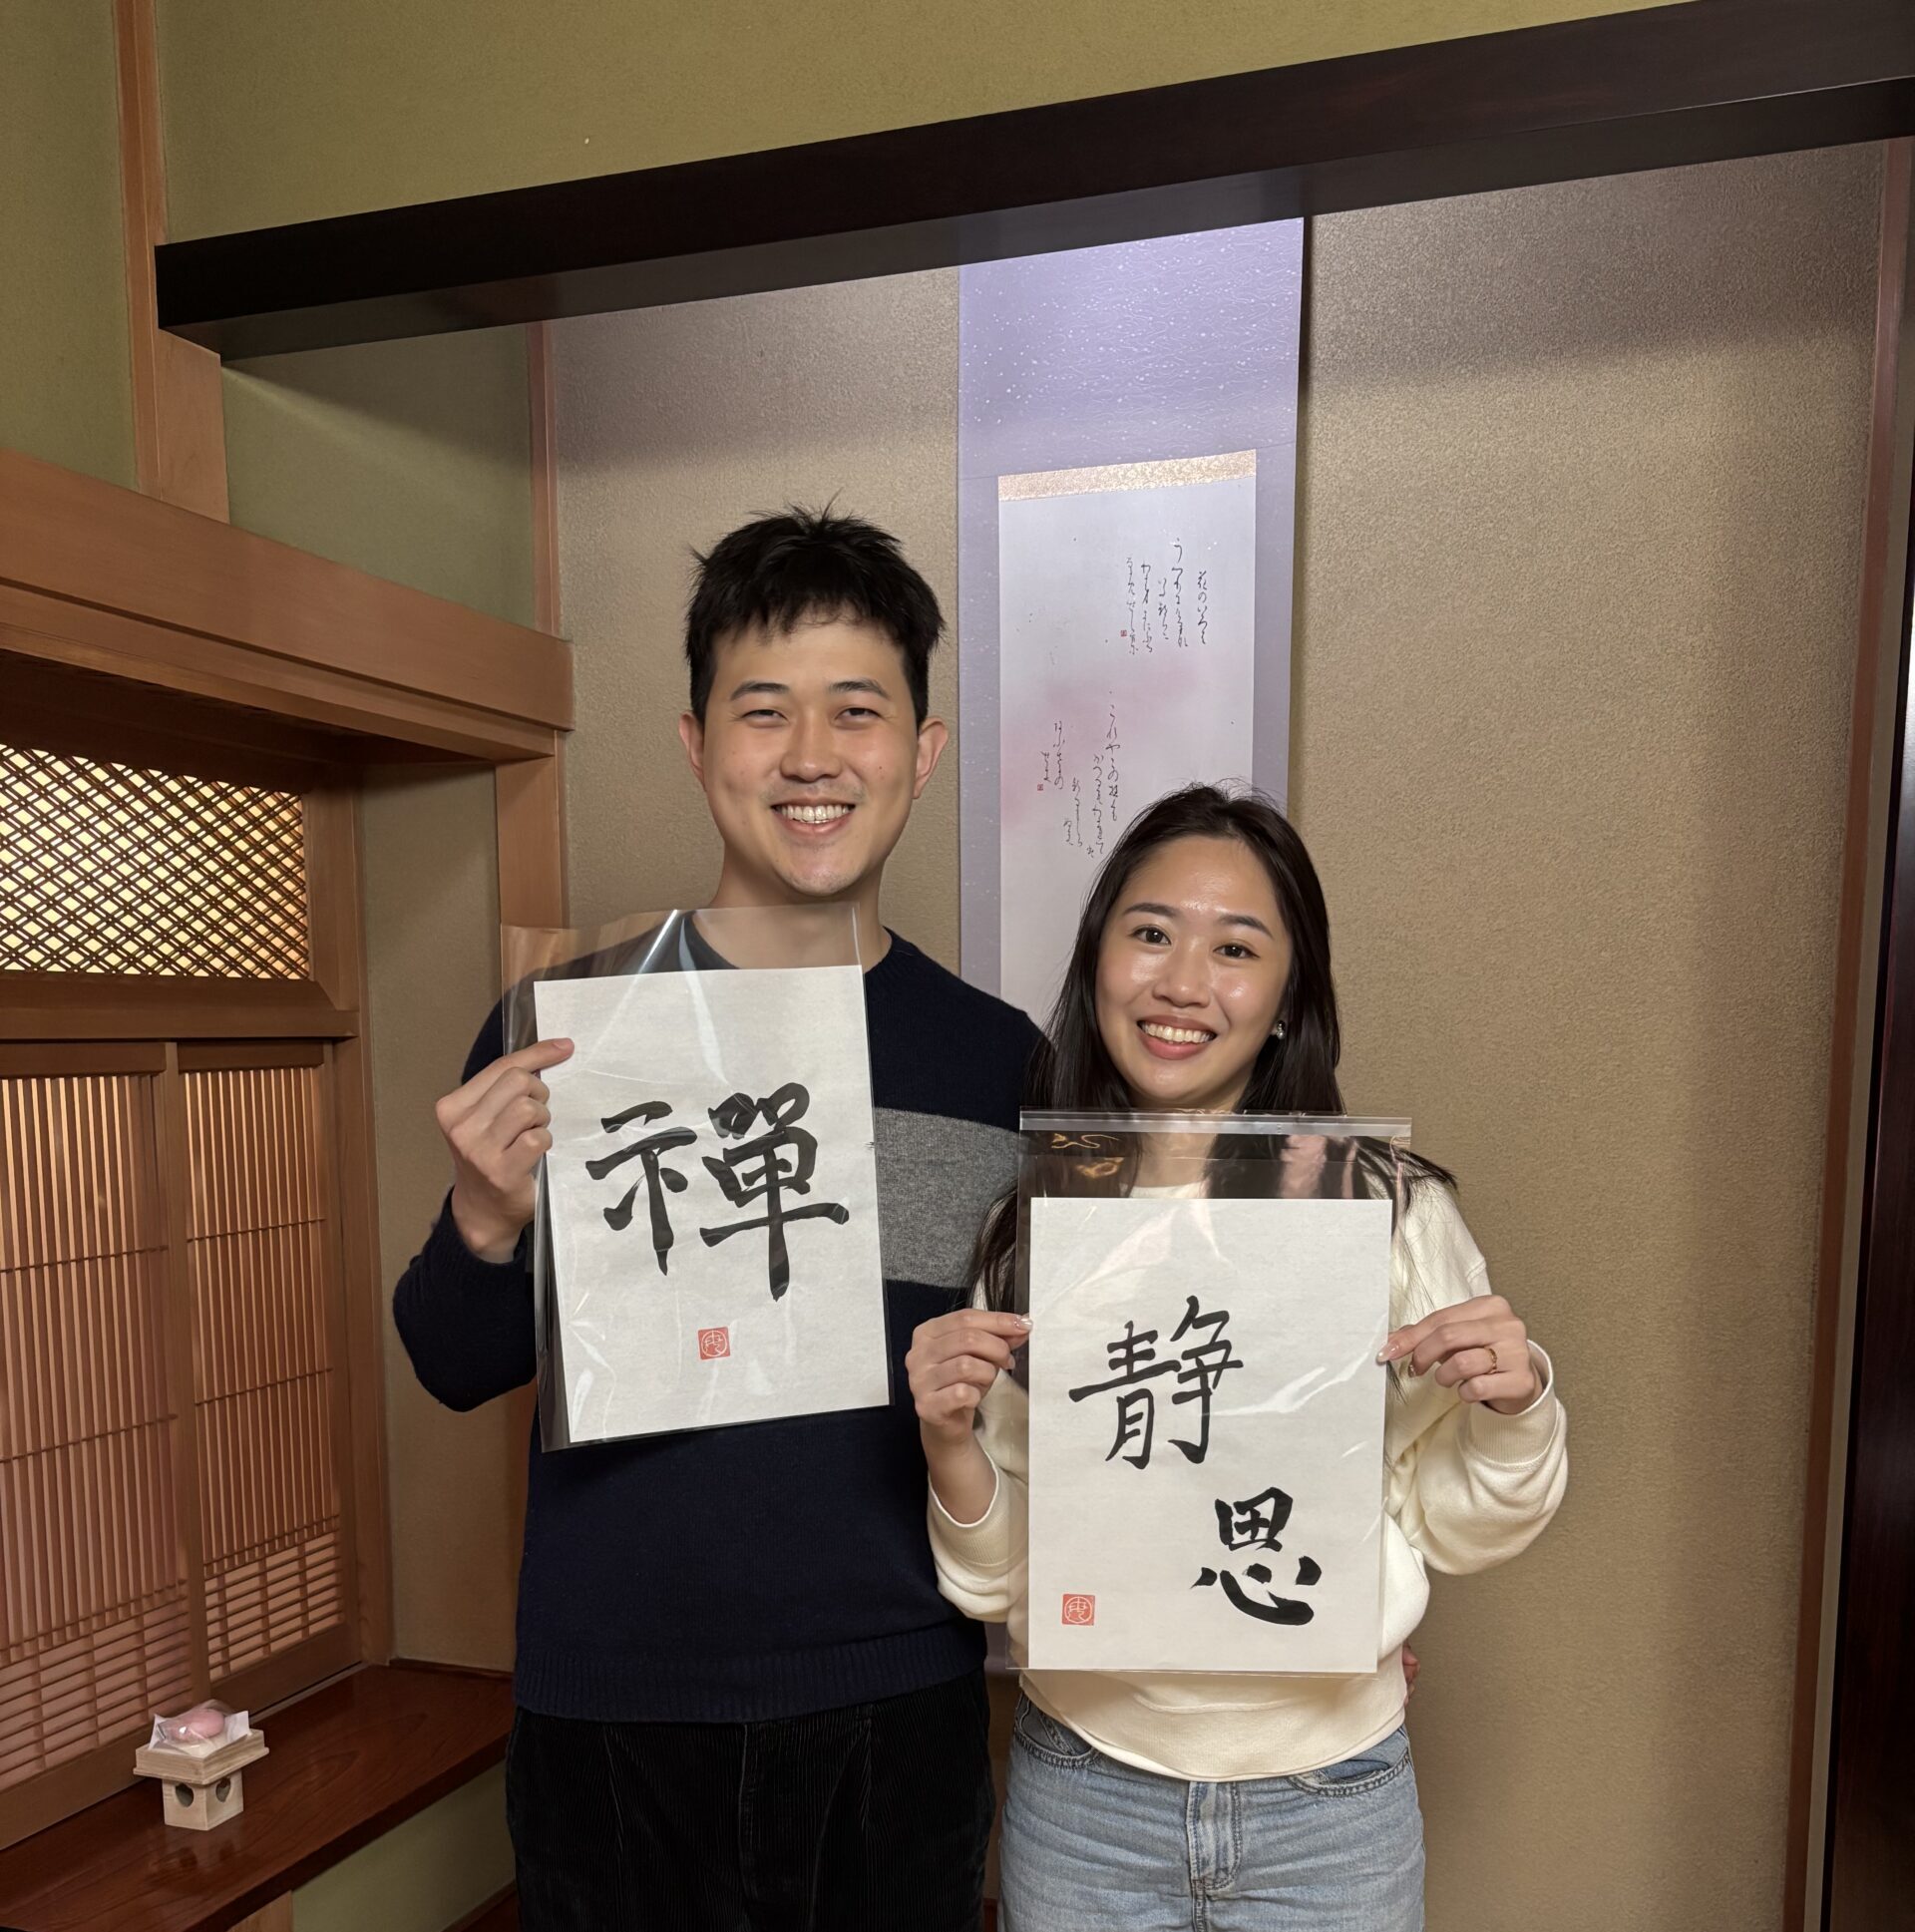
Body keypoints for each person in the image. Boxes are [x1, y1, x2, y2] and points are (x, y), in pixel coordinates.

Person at [395, 507, 1039, 1931]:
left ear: (922, 750)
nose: (812, 755)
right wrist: (481, 1219)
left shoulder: (1002, 1063)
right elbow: (450, 1360)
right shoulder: (567, 1032)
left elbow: (1060, 1386)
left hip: (894, 1697)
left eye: (856, 710)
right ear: (695, 741)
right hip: (611, 1704)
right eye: (764, 710)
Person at [907, 784, 1567, 1931]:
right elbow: (1002, 1577)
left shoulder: (1385, 1209)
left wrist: (1516, 1406)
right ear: (1098, 957)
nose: (1181, 982)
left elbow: (1463, 1523)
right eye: (1151, 931)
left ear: (1285, 997)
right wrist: (947, 1440)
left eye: (1236, 948)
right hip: (1084, 1793)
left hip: (1332, 1804)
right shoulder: (1040, 1227)